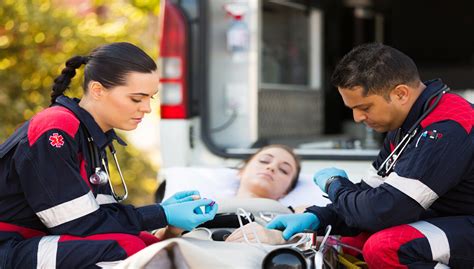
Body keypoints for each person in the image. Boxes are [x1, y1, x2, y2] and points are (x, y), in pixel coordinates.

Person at [0, 42, 218, 268]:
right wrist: (161, 214)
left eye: (150, 98)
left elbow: (101, 215)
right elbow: (77, 223)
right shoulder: (56, 128)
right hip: (8, 246)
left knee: (150, 244)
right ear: (97, 90)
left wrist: (167, 219)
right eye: (136, 98)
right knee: (127, 249)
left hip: (31, 241)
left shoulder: (92, 137)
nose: (147, 108)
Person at [266, 43, 474, 268]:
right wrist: (318, 217)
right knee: (350, 241)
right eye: (352, 109)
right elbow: (367, 196)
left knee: (386, 248)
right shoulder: (408, 124)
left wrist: (334, 185)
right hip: (458, 220)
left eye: (364, 107)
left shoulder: (447, 128)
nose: (357, 118)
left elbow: (382, 212)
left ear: (401, 94)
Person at [236, 144, 301, 201]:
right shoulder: (225, 205)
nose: (272, 167)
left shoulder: (297, 213)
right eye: (264, 160)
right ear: (242, 170)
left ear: (287, 191)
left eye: (283, 170)